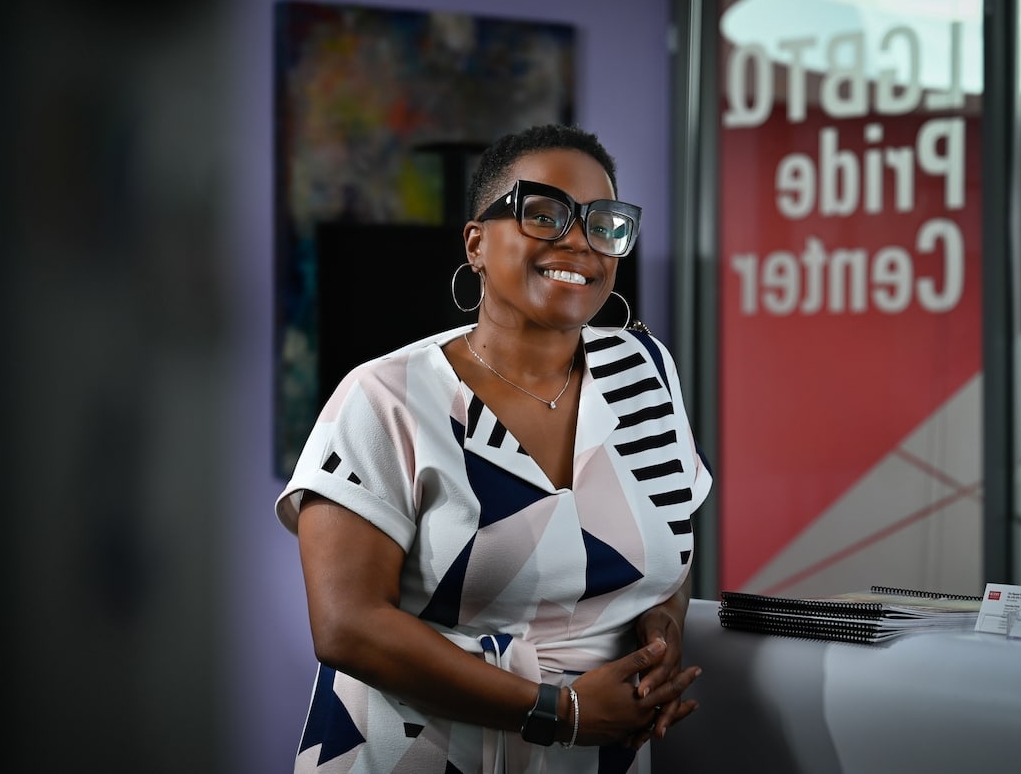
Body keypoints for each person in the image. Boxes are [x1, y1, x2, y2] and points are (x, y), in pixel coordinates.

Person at [275, 124, 713, 773]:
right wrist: (558, 711)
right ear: (476, 244)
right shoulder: (385, 397)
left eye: (604, 222)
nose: (578, 242)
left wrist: (661, 632)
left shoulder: (646, 372)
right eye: (543, 214)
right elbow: (348, 625)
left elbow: (667, 559)